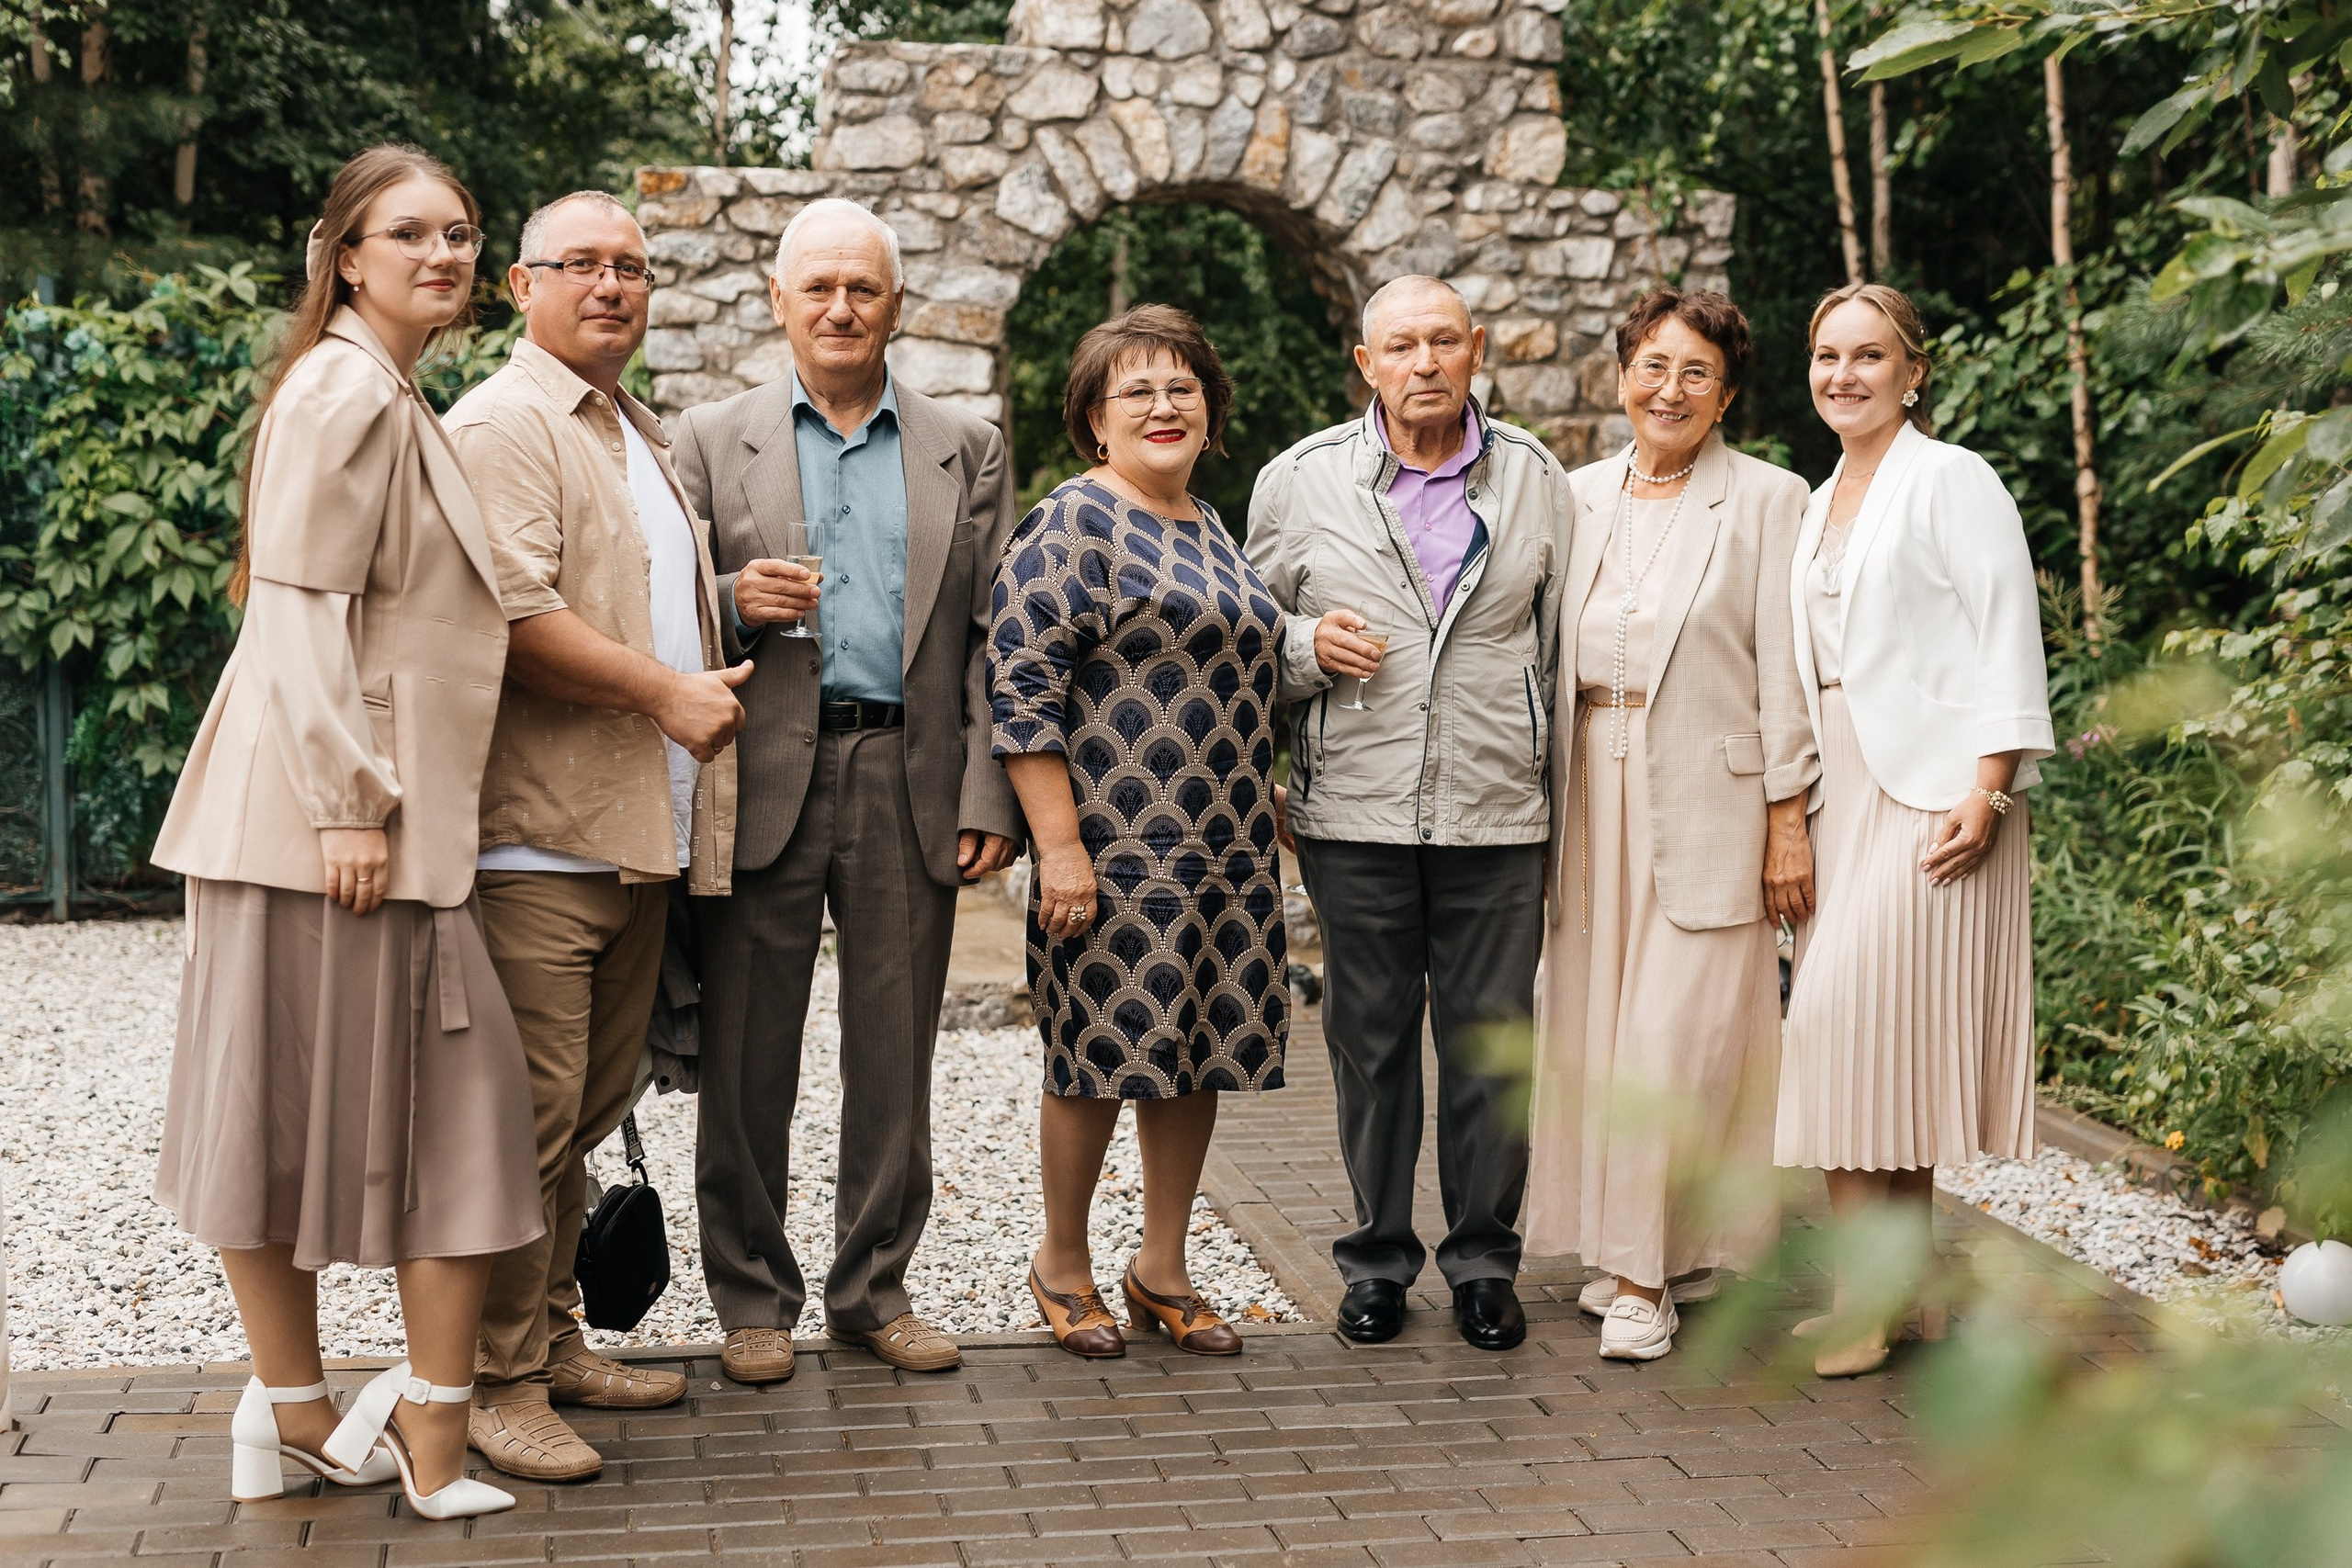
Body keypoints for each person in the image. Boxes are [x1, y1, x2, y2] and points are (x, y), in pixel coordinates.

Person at [150, 143, 537, 1519]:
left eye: (461, 230)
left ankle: (313, 1416)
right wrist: (347, 804)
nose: (443, 252)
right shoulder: (340, 387)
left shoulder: (383, 388)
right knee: (457, 1117)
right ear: (346, 255)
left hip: (345, 827)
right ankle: (397, 1427)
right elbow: (296, 607)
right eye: (409, 231)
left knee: (285, 1118)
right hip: (330, 830)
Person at [670, 198, 1021, 1384]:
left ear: (896, 307)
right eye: (815, 287)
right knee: (746, 1052)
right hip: (763, 763)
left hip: (907, 771)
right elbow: (657, 609)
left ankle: (874, 1286)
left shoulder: (964, 445)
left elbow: (990, 634)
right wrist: (731, 594)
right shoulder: (709, 439)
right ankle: (752, 1294)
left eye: (861, 289)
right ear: (778, 302)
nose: (838, 308)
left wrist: (990, 791)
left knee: (895, 1053)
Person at [445, 191, 746, 1481]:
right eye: (583, 265)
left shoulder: (631, 424)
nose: (613, 284)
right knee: (523, 1120)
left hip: (633, 836)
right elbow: (509, 615)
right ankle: (492, 1382)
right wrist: (666, 693)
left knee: (576, 1114)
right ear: (521, 284)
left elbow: (633, 598)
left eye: (632, 265)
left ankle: (554, 1336)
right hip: (536, 845)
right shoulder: (508, 422)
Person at [1246, 276, 1566, 1352]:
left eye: (1442, 341)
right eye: (1401, 345)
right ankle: (1377, 1259)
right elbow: (1246, 642)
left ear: (1475, 349)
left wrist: (1565, 813)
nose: (1423, 361)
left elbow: (1560, 656)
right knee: (1369, 1044)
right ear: (1365, 364)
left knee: (1492, 1046)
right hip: (1355, 816)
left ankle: (1483, 1262)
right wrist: (1301, 650)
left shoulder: (1534, 479)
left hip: (1497, 814)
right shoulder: (1297, 482)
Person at [1521, 288, 1818, 1362]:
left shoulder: (1770, 499)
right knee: (1599, 1032)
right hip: (1589, 792)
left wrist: (1789, 815)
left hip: (1713, 798)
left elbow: (1789, 668)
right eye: (1653, 365)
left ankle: (1645, 1281)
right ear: (1620, 377)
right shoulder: (1575, 494)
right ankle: (1637, 1244)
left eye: (1696, 371)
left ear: (1728, 392)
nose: (1671, 388)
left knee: (1677, 1036)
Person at [989, 304, 1290, 1359]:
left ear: (1210, 414)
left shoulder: (1211, 525)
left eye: (1183, 388)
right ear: (1093, 421)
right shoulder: (1070, 522)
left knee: (1196, 1049)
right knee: (1095, 1056)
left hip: (1228, 842)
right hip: (1116, 846)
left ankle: (1160, 1265)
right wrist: (1058, 848)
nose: (1165, 406)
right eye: (1138, 391)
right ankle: (1061, 1263)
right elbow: (1021, 687)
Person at [1777, 282, 2052, 1377]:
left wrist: (1987, 789)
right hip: (1840, 781)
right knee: (1875, 1051)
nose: (1843, 375)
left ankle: (1863, 1302)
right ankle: (1906, 1292)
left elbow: (2005, 633)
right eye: (1826, 356)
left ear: (1913, 371)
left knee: (1835, 1027)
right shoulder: (1814, 497)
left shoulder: (1953, 478)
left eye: (1869, 356)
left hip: (1937, 788)